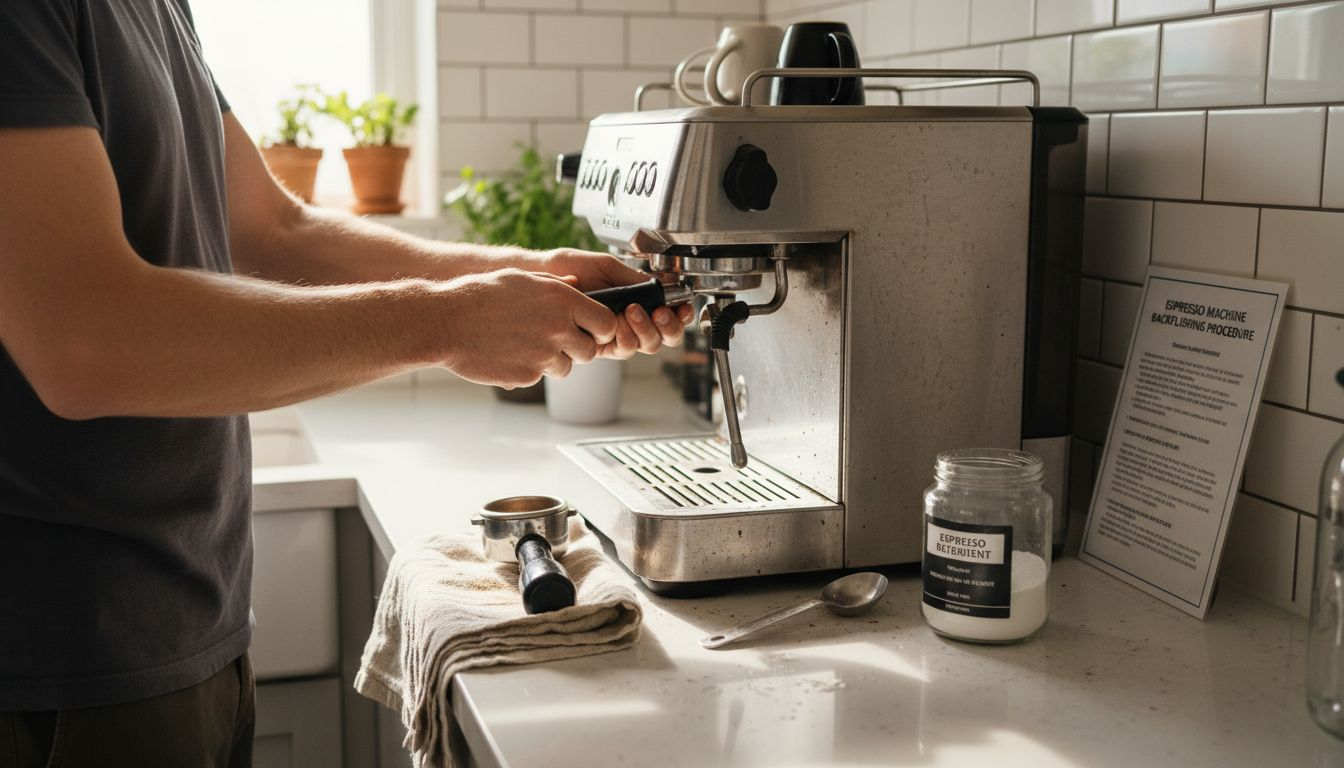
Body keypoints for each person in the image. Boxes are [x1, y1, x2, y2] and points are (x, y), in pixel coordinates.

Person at [0, 0, 693, 765]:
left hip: (197, 630)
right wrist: (450, 323)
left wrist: (526, 279)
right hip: (63, 668)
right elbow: (83, 340)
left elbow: (270, 231)